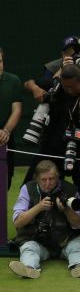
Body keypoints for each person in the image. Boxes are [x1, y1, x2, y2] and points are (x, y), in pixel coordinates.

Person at [8, 160, 80, 279]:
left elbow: (78, 224)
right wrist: (39, 207)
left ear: (57, 176)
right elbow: (18, 222)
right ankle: (29, 268)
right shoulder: (27, 189)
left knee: (77, 245)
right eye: (43, 180)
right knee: (29, 248)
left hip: (65, 240)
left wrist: (66, 210)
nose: (48, 183)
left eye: (51, 179)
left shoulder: (70, 189)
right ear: (36, 178)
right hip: (37, 240)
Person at [22, 64, 80, 187]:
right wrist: (35, 88)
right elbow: (28, 83)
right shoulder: (56, 86)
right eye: (65, 86)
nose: (69, 90)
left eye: (72, 87)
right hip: (51, 147)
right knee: (31, 184)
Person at [0, 46, 23, 188]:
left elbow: (17, 110)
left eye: (0, 61)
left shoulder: (13, 81)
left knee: (4, 184)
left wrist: (5, 131)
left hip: (6, 142)